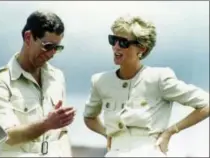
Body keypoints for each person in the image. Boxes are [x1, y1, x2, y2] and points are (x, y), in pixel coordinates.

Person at [83, 15, 209, 157]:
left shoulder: (159, 78)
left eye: (123, 42)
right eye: (113, 40)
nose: (115, 46)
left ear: (141, 49)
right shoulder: (100, 81)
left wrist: (171, 131)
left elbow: (206, 104)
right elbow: (89, 117)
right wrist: (108, 134)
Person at [0, 10, 76, 157]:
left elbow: (62, 133)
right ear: (28, 37)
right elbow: (7, 137)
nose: (52, 53)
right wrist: (47, 124)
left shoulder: (57, 77)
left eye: (57, 48)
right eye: (47, 46)